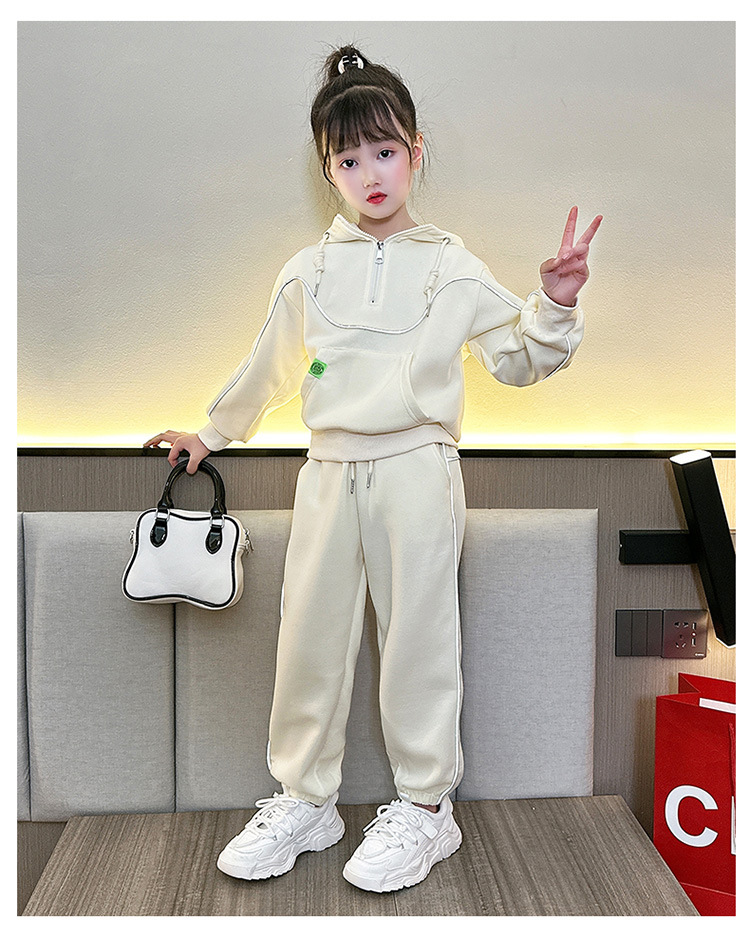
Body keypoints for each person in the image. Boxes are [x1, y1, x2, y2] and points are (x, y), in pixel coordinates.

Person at [145, 44, 601, 894]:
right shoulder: (308, 269)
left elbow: (518, 360)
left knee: (419, 639)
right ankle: (304, 800)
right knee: (307, 638)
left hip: (418, 466)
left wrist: (557, 301)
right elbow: (271, 368)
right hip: (327, 468)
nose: (369, 173)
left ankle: (427, 810)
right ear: (328, 172)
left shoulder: (452, 264)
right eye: (348, 159)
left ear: (415, 152)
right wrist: (211, 433)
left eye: (384, 151)